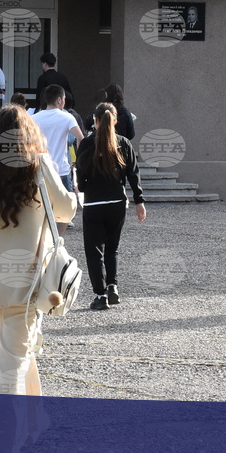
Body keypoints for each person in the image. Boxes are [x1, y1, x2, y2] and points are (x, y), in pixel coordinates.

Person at [0, 105, 77, 453]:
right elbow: (67, 210)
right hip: (26, 285)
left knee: (15, 352)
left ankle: (35, 422)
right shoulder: (39, 168)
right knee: (12, 363)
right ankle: (4, 447)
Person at [76, 103, 147, 311]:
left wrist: (83, 187)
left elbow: (81, 174)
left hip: (94, 203)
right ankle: (112, 286)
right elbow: (133, 174)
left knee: (94, 251)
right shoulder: (123, 143)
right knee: (112, 249)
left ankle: (100, 296)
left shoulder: (87, 144)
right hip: (117, 202)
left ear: (95, 121)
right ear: (115, 121)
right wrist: (139, 202)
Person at [32, 85, 84, 236]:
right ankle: (58, 238)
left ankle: (43, 235)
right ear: (59, 100)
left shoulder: (33, 118)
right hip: (61, 169)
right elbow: (81, 138)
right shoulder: (67, 117)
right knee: (67, 207)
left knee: (40, 205)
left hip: (40, 168)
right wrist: (79, 159)